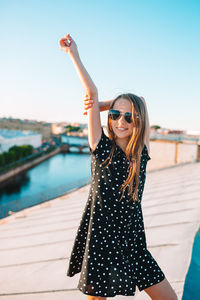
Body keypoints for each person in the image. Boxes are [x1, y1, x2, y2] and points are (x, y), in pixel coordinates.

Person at [59, 34, 178, 300]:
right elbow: (90, 92)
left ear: (138, 120)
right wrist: (73, 55)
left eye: (128, 116)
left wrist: (105, 105)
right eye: (114, 115)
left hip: (133, 243)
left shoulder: (141, 151)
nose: (120, 122)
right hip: (101, 242)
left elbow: (143, 102)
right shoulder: (100, 147)